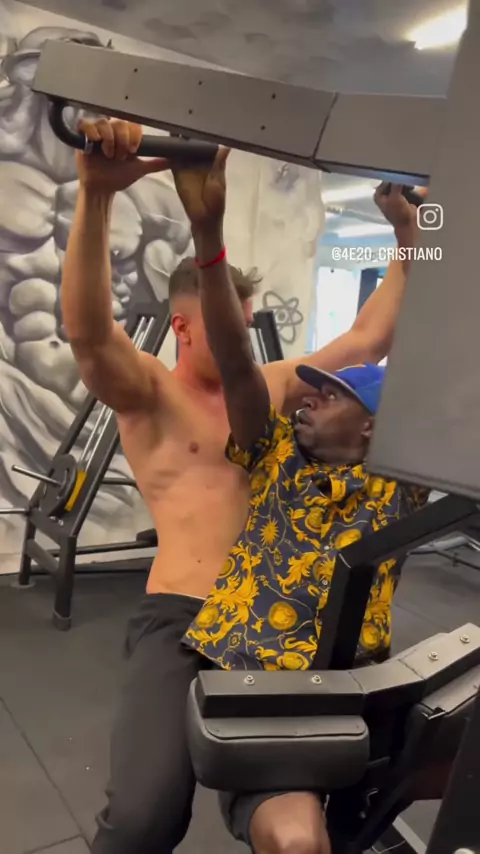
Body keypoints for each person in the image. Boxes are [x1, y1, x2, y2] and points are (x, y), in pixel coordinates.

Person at [62, 117, 420, 854]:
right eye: (229, 312)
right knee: (143, 819)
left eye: (248, 314)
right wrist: (95, 197)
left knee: (298, 831)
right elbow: (90, 334)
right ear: (184, 326)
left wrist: (411, 238)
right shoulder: (149, 393)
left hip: (271, 631)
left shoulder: (279, 388)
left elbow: (367, 341)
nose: (244, 326)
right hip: (179, 615)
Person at [174, 149, 428, 854]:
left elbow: (442, 339)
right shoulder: (275, 449)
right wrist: (208, 237)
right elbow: (236, 363)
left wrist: (422, 226)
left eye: (330, 394)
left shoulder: (401, 481)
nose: (307, 398)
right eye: (310, 389)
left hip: (357, 692)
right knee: (297, 843)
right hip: (258, 688)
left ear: (373, 426)